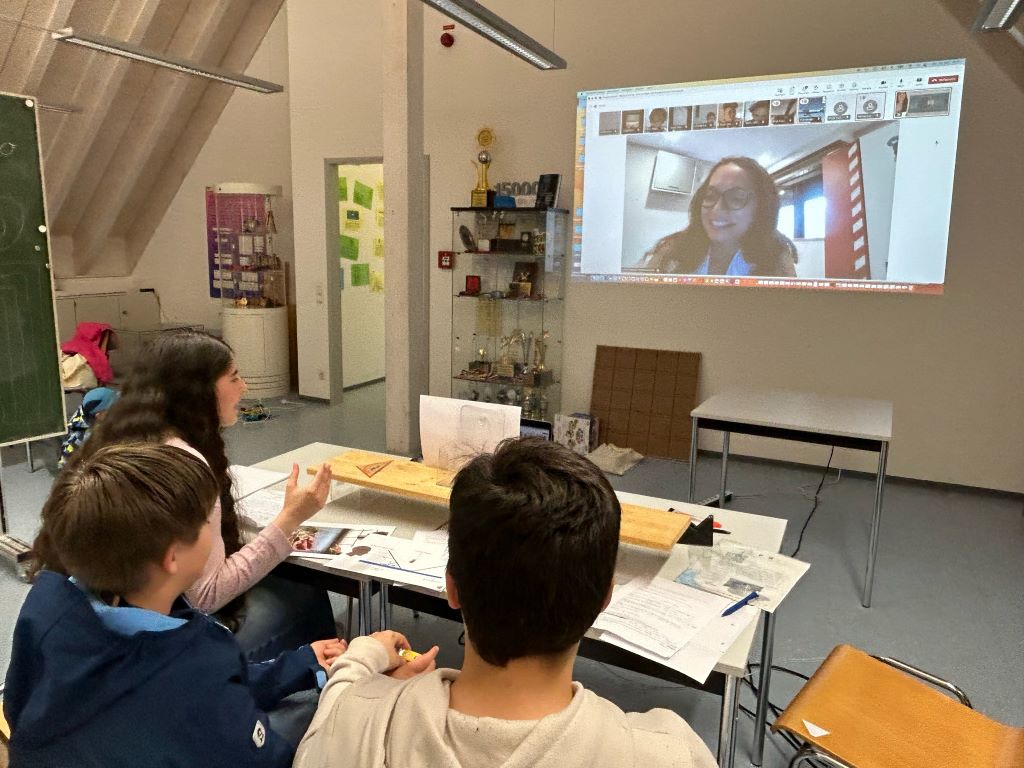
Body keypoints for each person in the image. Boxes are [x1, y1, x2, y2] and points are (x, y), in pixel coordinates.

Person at [293, 438, 717, 768]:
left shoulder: (358, 723)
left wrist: (364, 654)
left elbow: (327, 721)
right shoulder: (667, 753)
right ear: (605, 597)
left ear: (452, 587)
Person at [5, 444, 347, 766]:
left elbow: (17, 708)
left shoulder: (49, 601)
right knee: (316, 710)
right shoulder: (199, 665)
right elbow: (261, 754)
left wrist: (299, 664)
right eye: (207, 523)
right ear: (172, 556)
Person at [32, 329, 337, 662]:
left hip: (99, 629)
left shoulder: (119, 437)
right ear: (197, 391)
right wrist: (290, 518)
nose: (244, 387)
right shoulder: (183, 462)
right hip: (155, 647)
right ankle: (320, 667)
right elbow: (204, 597)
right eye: (234, 377)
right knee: (306, 592)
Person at [638, 156, 797, 277]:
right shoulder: (671, 251)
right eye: (710, 196)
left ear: (761, 208)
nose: (717, 209)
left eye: (736, 198)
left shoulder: (776, 261)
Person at [57, 386, 118, 468]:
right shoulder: (85, 436)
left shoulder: (87, 409)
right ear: (99, 415)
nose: (117, 408)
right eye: (113, 407)